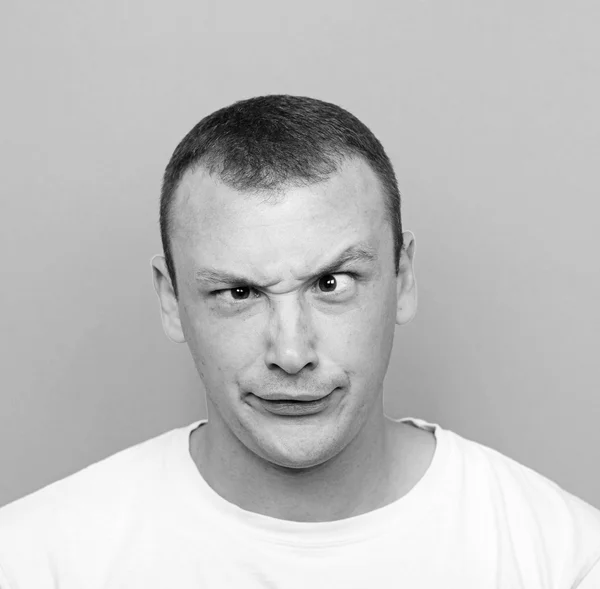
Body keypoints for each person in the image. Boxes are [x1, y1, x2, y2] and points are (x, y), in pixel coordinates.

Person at [0, 95, 599, 588]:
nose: (291, 354)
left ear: (404, 277)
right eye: (239, 293)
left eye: (332, 283)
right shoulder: (35, 562)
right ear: (170, 299)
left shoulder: (563, 559)